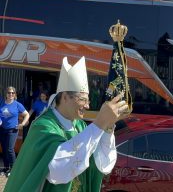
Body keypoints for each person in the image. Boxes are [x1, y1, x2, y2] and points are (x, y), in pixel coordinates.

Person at [4, 56, 129, 192]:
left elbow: (101, 163)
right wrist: (99, 123)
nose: (87, 106)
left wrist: (108, 127)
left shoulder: (80, 126)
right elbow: (58, 170)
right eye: (82, 99)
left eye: (88, 100)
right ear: (64, 97)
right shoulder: (43, 126)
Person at [0, 86, 29, 177]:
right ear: (6, 94)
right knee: (4, 149)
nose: (11, 94)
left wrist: (22, 124)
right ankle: (6, 168)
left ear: (15, 94)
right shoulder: (1, 103)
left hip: (13, 130)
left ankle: (14, 170)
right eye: (9, 92)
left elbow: (27, 114)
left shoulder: (17, 104)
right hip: (2, 129)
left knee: (10, 149)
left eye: (13, 93)